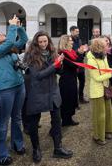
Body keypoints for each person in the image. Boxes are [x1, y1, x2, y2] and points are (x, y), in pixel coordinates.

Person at [0, 15, 27, 165]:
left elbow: (24, 40)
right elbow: (8, 42)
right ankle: (1, 154)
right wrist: (12, 27)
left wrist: (19, 26)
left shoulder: (11, 48)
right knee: (3, 121)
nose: (1, 34)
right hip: (5, 90)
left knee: (17, 117)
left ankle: (17, 144)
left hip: (19, 85)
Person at [24, 31, 73, 163]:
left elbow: (60, 71)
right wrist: (55, 65)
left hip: (52, 91)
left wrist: (60, 65)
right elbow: (38, 76)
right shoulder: (30, 56)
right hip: (37, 92)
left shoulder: (53, 52)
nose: (43, 44)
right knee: (34, 123)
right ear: (36, 42)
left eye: (45, 41)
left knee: (57, 121)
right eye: (40, 42)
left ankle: (58, 148)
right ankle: (36, 149)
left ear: (49, 41)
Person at [86, 38, 112, 145]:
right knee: (99, 114)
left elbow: (106, 69)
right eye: (106, 46)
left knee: (108, 111)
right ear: (99, 48)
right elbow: (96, 77)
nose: (108, 47)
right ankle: (98, 136)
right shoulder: (91, 60)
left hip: (105, 87)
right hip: (97, 90)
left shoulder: (103, 56)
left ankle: (107, 131)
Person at [58, 35, 84, 127]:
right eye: (70, 40)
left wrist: (80, 54)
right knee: (66, 100)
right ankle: (65, 120)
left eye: (72, 40)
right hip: (66, 81)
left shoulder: (72, 52)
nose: (72, 42)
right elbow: (75, 65)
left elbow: (78, 61)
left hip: (72, 79)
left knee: (72, 99)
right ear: (65, 42)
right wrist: (80, 54)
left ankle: (69, 119)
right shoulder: (63, 53)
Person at [70, 26, 89, 104]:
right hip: (73, 64)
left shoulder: (79, 40)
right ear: (71, 31)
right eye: (76, 31)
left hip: (81, 64)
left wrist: (84, 51)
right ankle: (74, 101)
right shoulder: (69, 40)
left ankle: (81, 98)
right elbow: (69, 52)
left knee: (82, 82)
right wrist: (78, 52)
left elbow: (81, 50)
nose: (78, 33)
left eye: (78, 31)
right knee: (74, 84)